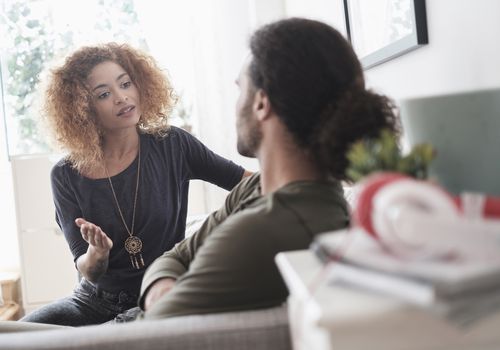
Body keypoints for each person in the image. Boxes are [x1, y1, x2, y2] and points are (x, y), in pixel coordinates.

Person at [139, 17, 399, 319]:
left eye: (241, 90)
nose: (236, 106)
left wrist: (162, 287)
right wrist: (163, 283)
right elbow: (176, 255)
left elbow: (154, 329)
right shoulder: (258, 187)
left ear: (262, 103)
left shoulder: (263, 231)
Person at [20, 43, 249, 326]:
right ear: (83, 109)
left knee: (112, 336)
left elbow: (246, 183)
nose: (122, 97)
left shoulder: (174, 144)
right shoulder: (65, 175)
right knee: (17, 335)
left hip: (157, 296)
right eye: (104, 94)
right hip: (92, 301)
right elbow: (88, 270)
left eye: (125, 84)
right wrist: (98, 253)